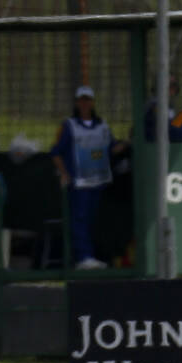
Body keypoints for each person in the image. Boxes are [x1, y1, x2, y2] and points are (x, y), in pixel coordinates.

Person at [49, 85, 124, 269]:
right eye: (81, 100)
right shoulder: (69, 126)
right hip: (79, 183)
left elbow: (112, 147)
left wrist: (128, 142)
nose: (84, 103)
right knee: (79, 219)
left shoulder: (102, 126)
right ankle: (82, 257)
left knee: (91, 220)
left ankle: (89, 256)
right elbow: (56, 152)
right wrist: (64, 173)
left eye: (87, 99)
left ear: (92, 102)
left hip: (98, 181)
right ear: (76, 102)